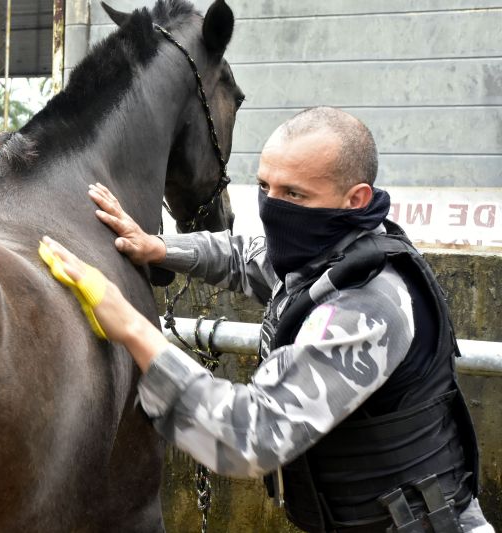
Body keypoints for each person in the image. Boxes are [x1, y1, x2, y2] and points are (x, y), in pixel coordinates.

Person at [40, 106, 494, 533]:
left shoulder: (365, 305)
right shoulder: (327, 247)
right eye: (264, 187)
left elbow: (250, 437)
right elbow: (247, 256)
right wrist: (158, 247)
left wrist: (133, 327)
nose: (272, 207)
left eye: (293, 193)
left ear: (355, 198)